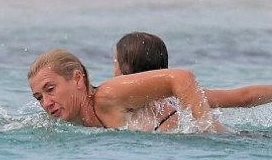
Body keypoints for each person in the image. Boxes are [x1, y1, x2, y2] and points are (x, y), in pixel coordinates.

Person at [113, 32, 272, 131]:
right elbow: (243, 98)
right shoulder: (182, 97)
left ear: (125, 70)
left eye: (114, 61)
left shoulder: (116, 105)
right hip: (234, 139)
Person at [28, 48, 229, 133]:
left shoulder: (108, 96)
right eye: (39, 98)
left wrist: (207, 132)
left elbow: (182, 77)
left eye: (51, 89)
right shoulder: (68, 120)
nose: (46, 103)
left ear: (77, 79)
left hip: (224, 143)